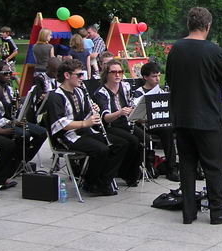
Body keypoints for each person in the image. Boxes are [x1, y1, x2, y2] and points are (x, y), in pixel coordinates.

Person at [165, 7, 222, 225]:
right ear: (207, 26)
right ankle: (217, 211)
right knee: (213, 166)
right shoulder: (212, 50)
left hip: (182, 117)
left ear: (188, 24)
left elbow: (170, 80)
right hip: (207, 118)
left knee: (187, 165)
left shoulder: (176, 49)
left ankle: (188, 212)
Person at [46, 59, 127, 196]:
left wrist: (93, 111)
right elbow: (60, 124)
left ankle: (102, 182)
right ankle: (91, 182)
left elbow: (85, 115)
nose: (82, 78)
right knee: (101, 149)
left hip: (85, 131)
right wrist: (85, 123)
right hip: (68, 137)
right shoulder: (56, 96)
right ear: (67, 75)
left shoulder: (79, 91)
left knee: (121, 144)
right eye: (79, 75)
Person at [93, 59, 141, 186]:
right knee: (132, 141)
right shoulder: (101, 93)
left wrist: (133, 109)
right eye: (113, 72)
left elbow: (132, 102)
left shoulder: (125, 86)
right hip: (110, 125)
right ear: (106, 74)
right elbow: (105, 118)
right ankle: (127, 174)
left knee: (143, 139)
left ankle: (131, 171)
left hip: (126, 122)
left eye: (120, 72)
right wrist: (120, 112)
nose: (117, 75)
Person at [132, 61, 178, 181]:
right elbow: (137, 115)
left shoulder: (161, 91)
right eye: (154, 76)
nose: (157, 79)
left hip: (162, 122)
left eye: (158, 75)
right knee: (167, 131)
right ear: (145, 77)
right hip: (147, 125)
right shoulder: (138, 93)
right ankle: (171, 168)